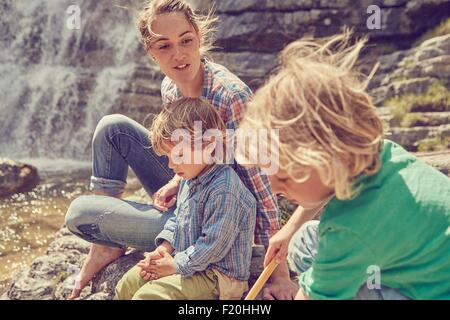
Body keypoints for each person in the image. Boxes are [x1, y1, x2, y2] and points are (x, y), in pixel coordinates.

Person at [65, 0, 296, 300]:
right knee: (113, 128)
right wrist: (176, 182)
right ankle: (105, 247)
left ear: (199, 37)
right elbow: (190, 155)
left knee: (80, 214)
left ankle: (129, 238)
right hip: (193, 189)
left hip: (219, 217)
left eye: (186, 40)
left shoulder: (232, 97)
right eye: (164, 46)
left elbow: (262, 183)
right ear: (151, 52)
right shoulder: (170, 89)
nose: (178, 54)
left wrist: (280, 274)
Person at [237, 30, 450, 300]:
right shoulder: (380, 154)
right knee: (304, 240)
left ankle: (328, 281)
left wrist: (313, 288)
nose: (274, 188)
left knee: (350, 279)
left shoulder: (349, 229)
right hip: (423, 260)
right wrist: (287, 231)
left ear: (328, 159)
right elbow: (324, 190)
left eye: (285, 178)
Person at [115, 97, 256, 300]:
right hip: (189, 262)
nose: (171, 165)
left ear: (208, 146)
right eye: (168, 157)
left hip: (218, 276)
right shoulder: (189, 178)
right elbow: (178, 220)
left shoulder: (225, 190)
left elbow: (213, 246)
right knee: (129, 282)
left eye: (179, 156)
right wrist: (163, 251)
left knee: (150, 296)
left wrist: (174, 265)